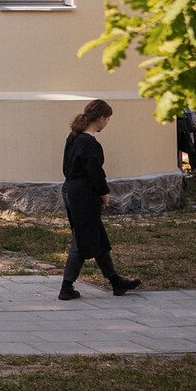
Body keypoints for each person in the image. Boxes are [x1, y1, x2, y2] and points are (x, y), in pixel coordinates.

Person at [59, 98, 141, 299]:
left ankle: (116, 282)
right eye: (108, 119)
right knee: (83, 239)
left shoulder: (74, 137)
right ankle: (66, 287)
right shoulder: (89, 143)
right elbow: (95, 173)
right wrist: (104, 193)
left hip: (71, 189)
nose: (107, 123)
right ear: (102, 118)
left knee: (96, 237)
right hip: (83, 194)